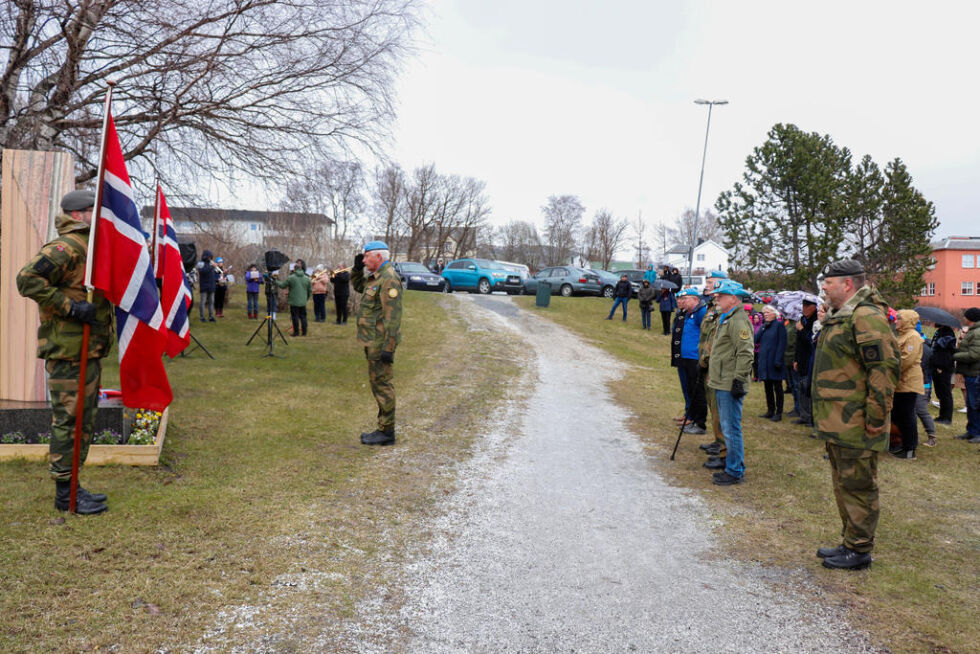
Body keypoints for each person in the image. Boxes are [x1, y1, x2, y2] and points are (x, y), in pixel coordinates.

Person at [15, 190, 113, 515]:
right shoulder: (66, 246)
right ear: (80, 213)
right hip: (68, 350)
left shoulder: (88, 246)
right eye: (93, 210)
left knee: (84, 420)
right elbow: (27, 279)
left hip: (87, 348)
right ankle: (63, 493)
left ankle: (74, 487)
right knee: (68, 420)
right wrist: (70, 307)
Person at [812, 259, 899, 570]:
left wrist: (876, 417)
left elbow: (883, 369)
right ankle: (850, 541)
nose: (823, 287)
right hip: (839, 420)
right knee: (844, 482)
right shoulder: (843, 315)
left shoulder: (866, 317)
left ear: (847, 284)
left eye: (829, 282)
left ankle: (860, 550)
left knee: (859, 484)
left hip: (857, 420)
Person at [351, 241, 403, 446]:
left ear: (378, 257)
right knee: (377, 384)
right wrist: (356, 269)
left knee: (382, 385)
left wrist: (389, 348)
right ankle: (383, 428)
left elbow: (393, 317)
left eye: (366, 257)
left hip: (380, 343)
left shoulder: (389, 279)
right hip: (372, 340)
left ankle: (387, 431)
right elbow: (358, 286)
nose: (363, 260)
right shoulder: (376, 277)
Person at [705, 279, 755, 486]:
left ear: (733, 299)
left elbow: (745, 353)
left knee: (731, 428)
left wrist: (739, 380)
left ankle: (735, 471)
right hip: (721, 381)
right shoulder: (727, 317)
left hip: (729, 383)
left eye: (721, 296)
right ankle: (731, 465)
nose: (717, 298)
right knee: (727, 427)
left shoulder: (738, 320)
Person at [672, 288, 708, 435]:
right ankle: (691, 417)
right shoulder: (688, 313)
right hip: (685, 357)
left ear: (695, 299)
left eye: (685, 299)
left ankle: (700, 423)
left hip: (695, 358)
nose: (682, 301)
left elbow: (706, 334)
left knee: (697, 391)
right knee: (689, 389)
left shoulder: (701, 312)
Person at [952, 308, 980, 443]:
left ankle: (977, 433)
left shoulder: (978, 333)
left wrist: (954, 355)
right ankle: (971, 431)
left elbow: (975, 354)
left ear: (971, 318)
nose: (964, 319)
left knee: (975, 404)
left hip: (975, 373)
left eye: (966, 317)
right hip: (970, 372)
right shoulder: (973, 331)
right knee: (970, 403)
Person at [756, 305, 787, 421]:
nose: (766, 314)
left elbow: (782, 343)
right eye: (764, 313)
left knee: (777, 388)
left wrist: (778, 359)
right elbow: (756, 339)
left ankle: (778, 412)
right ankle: (770, 410)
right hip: (764, 361)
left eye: (768, 312)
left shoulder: (779, 325)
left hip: (774, 361)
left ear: (775, 314)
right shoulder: (764, 326)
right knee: (767, 387)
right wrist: (762, 328)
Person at [793, 299, 818, 426]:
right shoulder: (802, 319)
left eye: (807, 305)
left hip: (810, 359)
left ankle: (810, 416)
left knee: (807, 388)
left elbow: (811, 340)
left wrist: (802, 329)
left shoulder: (816, 321)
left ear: (814, 307)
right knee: (800, 387)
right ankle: (803, 414)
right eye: (803, 305)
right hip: (801, 359)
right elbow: (798, 343)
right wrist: (796, 359)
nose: (804, 308)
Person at [929, 323, 957, 425]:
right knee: (940, 393)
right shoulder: (940, 332)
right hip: (937, 366)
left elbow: (947, 352)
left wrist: (941, 366)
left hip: (943, 367)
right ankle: (942, 416)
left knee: (945, 393)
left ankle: (947, 417)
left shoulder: (948, 334)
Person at [277, 259, 312, 336]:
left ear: (294, 269)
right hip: (303, 301)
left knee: (295, 317)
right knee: (303, 317)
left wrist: (275, 281)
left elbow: (282, 285)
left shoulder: (291, 277)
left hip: (294, 301)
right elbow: (310, 291)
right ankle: (304, 332)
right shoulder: (307, 278)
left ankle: (296, 332)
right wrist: (306, 299)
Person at [916, 328, 937, 447]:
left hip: (922, 384)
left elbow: (920, 367)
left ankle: (932, 436)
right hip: (915, 383)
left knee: (921, 410)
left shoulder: (924, 348)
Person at [196, 250, 217, 322]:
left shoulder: (211, 263)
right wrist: (212, 267)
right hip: (204, 285)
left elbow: (214, 273)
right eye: (208, 256)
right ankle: (202, 317)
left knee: (211, 301)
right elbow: (202, 271)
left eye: (210, 257)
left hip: (211, 285)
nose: (210, 258)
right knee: (203, 302)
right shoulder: (200, 263)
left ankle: (211, 316)